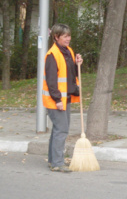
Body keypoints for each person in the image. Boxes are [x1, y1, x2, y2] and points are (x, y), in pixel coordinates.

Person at [42, 24, 83, 172]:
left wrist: (78, 63)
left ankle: (53, 160)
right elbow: (51, 81)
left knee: (58, 130)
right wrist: (58, 100)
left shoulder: (68, 51)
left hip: (66, 98)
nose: (68, 39)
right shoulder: (52, 55)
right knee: (62, 130)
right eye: (65, 36)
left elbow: (72, 73)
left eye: (69, 36)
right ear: (56, 37)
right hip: (56, 100)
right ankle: (57, 163)